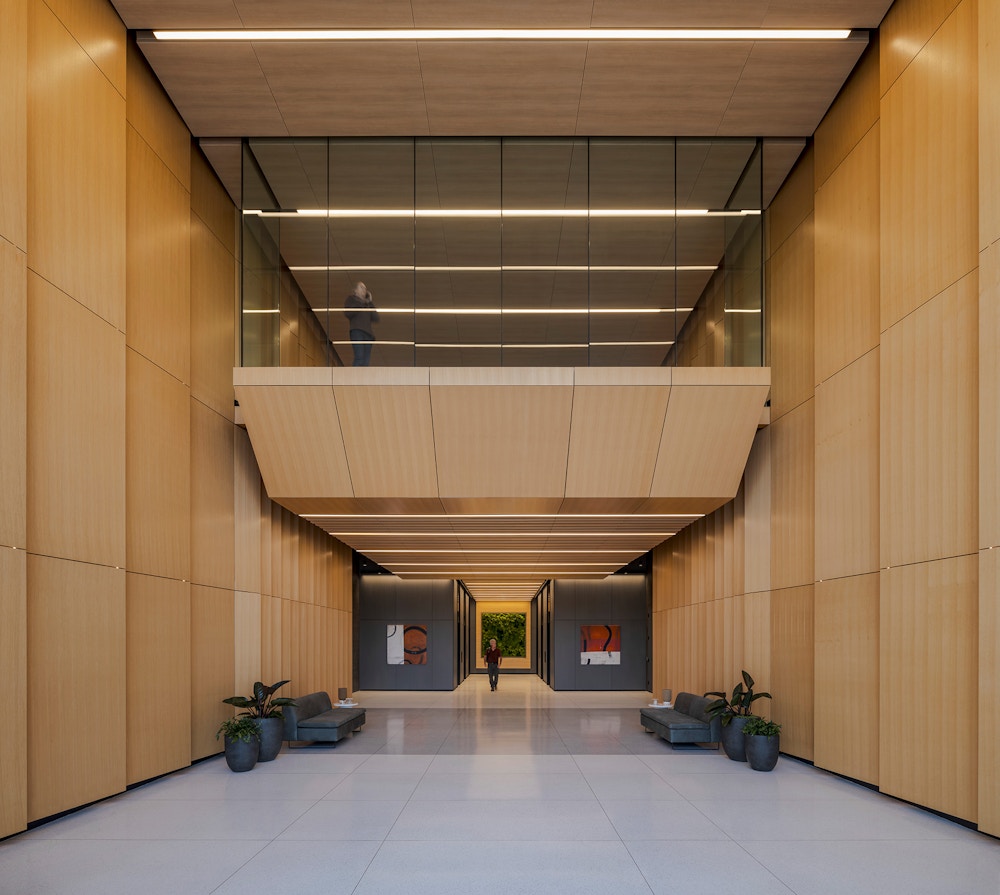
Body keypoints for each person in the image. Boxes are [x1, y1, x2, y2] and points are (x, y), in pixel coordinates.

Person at [344, 281, 378, 366]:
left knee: (366, 361)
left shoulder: (368, 304)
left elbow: (376, 317)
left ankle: (363, 378)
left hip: (368, 334)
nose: (364, 290)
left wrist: (370, 302)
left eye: (365, 289)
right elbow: (348, 313)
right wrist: (362, 302)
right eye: (361, 287)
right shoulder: (351, 299)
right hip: (357, 331)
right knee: (359, 356)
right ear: (355, 290)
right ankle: (354, 377)